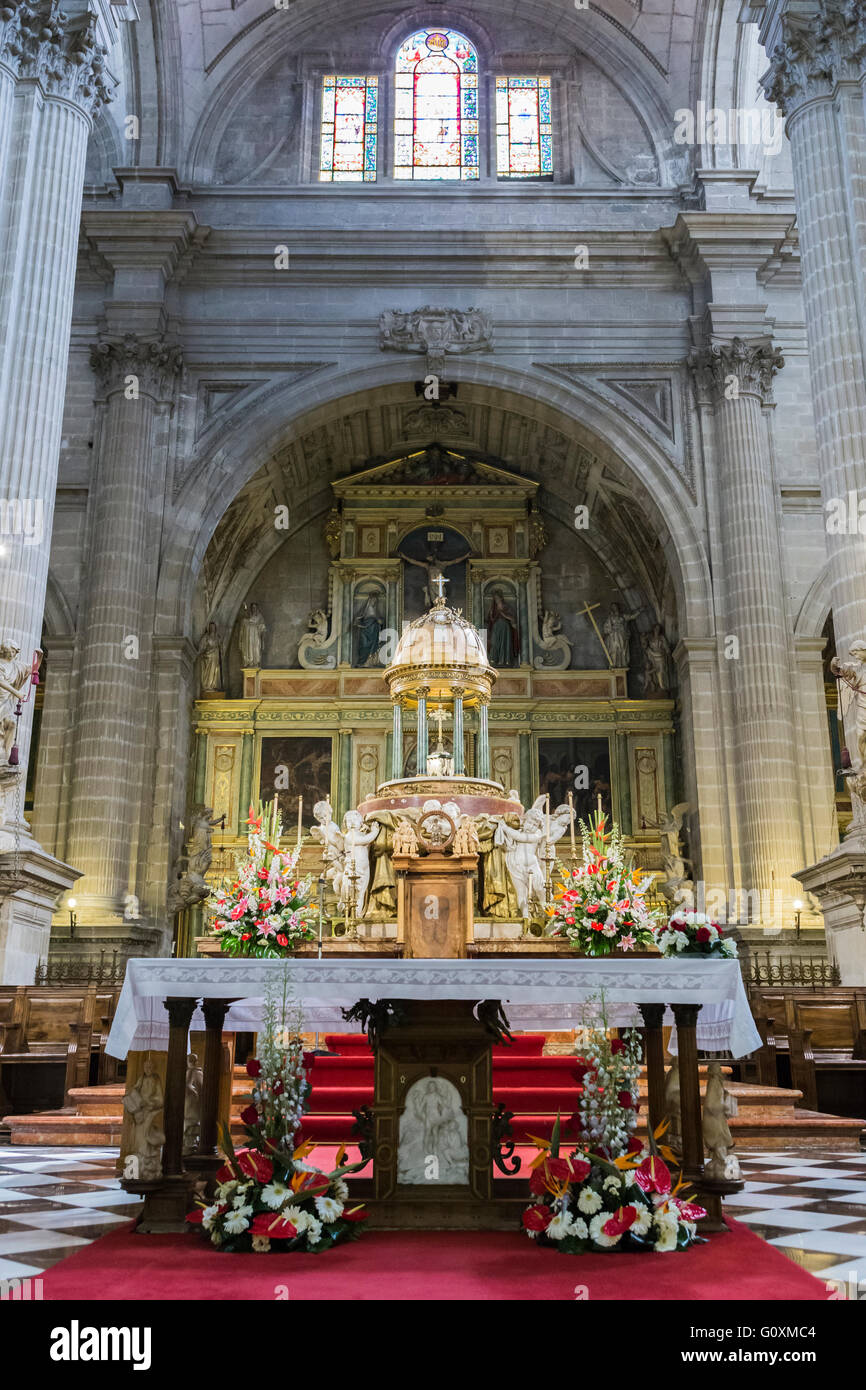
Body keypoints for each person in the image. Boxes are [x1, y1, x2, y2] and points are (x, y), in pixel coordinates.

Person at [486, 589, 519, 667]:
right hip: (496, 628)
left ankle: (505, 661)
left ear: (501, 598)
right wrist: (490, 616)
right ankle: (493, 660)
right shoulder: (493, 608)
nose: (496, 600)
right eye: (495, 598)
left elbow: (513, 618)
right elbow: (489, 620)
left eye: (497, 598)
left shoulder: (506, 606)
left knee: (505, 643)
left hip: (505, 627)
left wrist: (503, 614)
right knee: (494, 643)